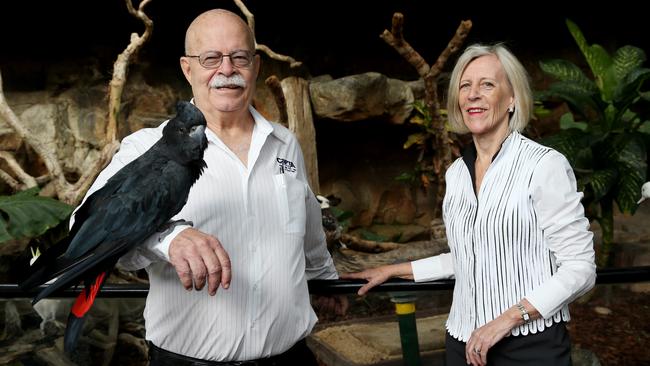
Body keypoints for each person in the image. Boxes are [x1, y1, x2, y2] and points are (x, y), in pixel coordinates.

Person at [76, 8, 345, 365]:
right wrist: (167, 239)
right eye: (211, 59)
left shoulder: (285, 143)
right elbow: (80, 225)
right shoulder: (146, 148)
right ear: (188, 69)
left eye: (239, 57)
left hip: (290, 358)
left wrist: (328, 282)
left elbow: (310, 231)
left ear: (256, 66)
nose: (227, 70)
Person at [342, 43, 596, 366]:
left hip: (530, 349)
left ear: (513, 98)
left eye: (487, 84)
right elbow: (468, 256)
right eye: (465, 85)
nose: (473, 94)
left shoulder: (544, 165)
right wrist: (394, 270)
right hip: (462, 345)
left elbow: (581, 267)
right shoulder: (457, 174)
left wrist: (507, 319)